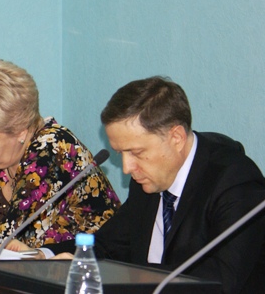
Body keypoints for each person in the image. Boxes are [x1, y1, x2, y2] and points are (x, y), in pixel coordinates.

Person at [43, 76, 265, 293]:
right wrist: (43, 257)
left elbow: (222, 279)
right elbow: (106, 246)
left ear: (176, 138)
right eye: (121, 153)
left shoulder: (235, 182)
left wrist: (118, 276)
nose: (127, 168)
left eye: (137, 152)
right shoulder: (148, 181)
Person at [0, 59, 120, 249]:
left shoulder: (53, 149)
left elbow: (17, 239)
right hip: (38, 266)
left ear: (21, 131)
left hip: (89, 262)